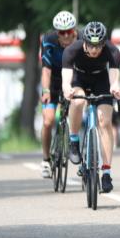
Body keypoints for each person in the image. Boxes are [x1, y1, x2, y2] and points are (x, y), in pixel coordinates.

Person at [61, 21, 120, 193]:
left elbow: (114, 79)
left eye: (98, 46)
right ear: (84, 42)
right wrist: (67, 88)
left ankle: (106, 172)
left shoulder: (112, 51)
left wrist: (115, 87)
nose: (95, 49)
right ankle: (74, 140)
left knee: (104, 122)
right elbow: (66, 79)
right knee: (79, 101)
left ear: (104, 43)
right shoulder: (72, 50)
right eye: (91, 45)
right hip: (79, 78)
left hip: (101, 80)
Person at [38, 11, 78, 177]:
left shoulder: (82, 39)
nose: (66, 35)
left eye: (69, 31)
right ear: (56, 33)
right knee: (48, 121)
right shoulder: (49, 40)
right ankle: (46, 159)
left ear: (74, 30)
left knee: (77, 110)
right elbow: (46, 70)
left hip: (74, 78)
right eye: (62, 32)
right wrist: (46, 91)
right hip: (53, 80)